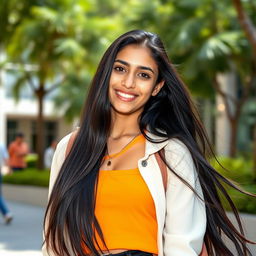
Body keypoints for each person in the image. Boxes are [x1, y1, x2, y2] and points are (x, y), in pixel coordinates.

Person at [43, 30, 255, 256]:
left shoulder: (170, 152)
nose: (128, 82)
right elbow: (53, 240)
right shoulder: (69, 148)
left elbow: (181, 244)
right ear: (106, 74)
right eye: (120, 69)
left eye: (143, 75)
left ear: (157, 86)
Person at [0, 143, 13, 224]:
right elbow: (6, 159)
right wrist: (9, 169)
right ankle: (6, 213)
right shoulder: (1, 146)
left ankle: (6, 213)